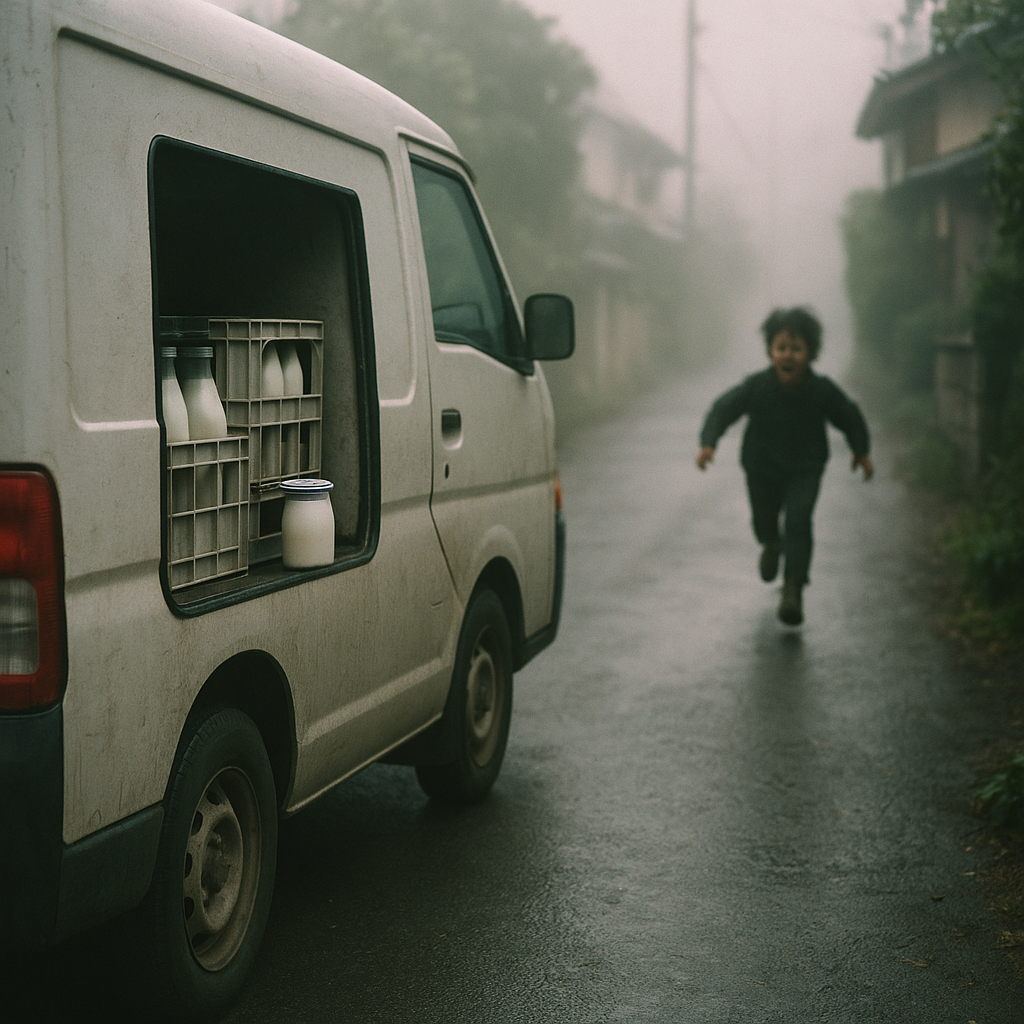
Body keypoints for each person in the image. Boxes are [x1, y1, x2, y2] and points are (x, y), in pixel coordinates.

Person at [696, 307, 873, 626]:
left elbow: (848, 415)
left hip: (805, 468)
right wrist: (709, 443)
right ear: (770, 352)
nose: (788, 355)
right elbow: (724, 408)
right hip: (761, 468)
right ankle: (771, 543)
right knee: (763, 519)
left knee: (798, 520)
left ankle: (793, 588)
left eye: (796, 348)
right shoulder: (756, 386)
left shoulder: (820, 390)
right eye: (781, 348)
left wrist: (861, 451)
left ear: (810, 353)